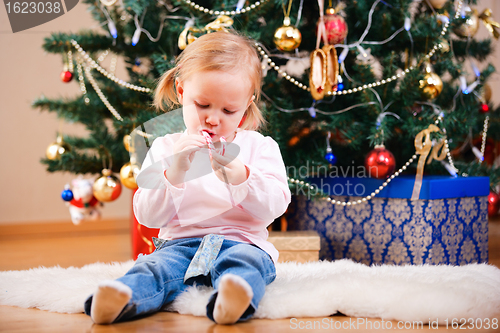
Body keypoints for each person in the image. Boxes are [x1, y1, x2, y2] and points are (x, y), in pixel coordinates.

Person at [84, 30, 291, 325]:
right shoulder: (165, 147)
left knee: (246, 265)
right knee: (156, 269)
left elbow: (276, 205)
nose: (213, 119)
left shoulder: (259, 147)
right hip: (179, 245)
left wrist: (242, 176)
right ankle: (121, 298)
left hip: (242, 242)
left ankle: (234, 297)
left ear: (247, 104)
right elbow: (147, 214)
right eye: (202, 105)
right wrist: (174, 172)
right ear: (181, 92)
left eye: (229, 110)